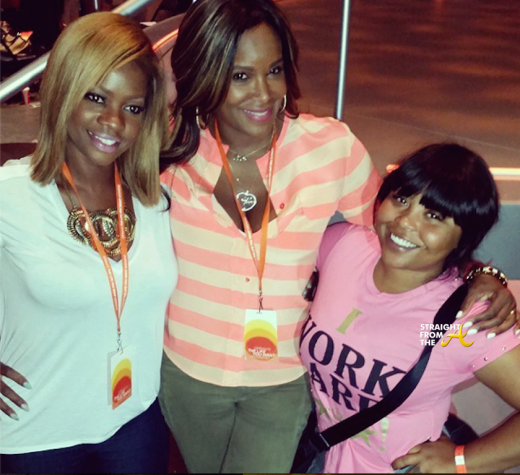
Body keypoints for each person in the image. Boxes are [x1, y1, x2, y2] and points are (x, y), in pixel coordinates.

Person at [157, 0, 517, 472]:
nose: (263, 93)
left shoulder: (330, 148)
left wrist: (478, 272)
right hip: (188, 373)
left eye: (274, 71)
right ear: (205, 74)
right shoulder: (167, 148)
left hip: (281, 380)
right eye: (240, 76)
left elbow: (399, 233)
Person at [0, 12, 177, 473]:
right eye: (96, 97)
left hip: (135, 421)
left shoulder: (154, 199)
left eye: (133, 107)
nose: (113, 121)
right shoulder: (12, 194)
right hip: (36, 433)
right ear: (63, 91)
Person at [299, 143, 520, 473]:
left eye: (434, 216)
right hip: (319, 455)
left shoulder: (465, 320)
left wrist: (462, 461)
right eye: (402, 199)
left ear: (464, 237)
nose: (404, 222)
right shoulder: (342, 246)